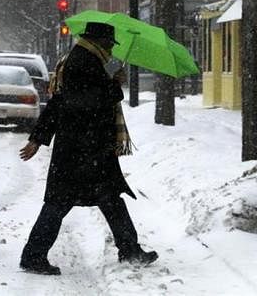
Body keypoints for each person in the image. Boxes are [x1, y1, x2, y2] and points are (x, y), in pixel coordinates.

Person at [18, 22, 158, 275]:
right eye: (109, 44)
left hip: (85, 149)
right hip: (83, 149)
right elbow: (86, 103)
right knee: (60, 203)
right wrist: (115, 85)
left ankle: (129, 249)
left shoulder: (80, 60)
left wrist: (38, 138)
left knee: (108, 199)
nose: (111, 50)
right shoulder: (84, 63)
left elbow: (60, 102)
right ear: (98, 42)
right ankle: (33, 255)